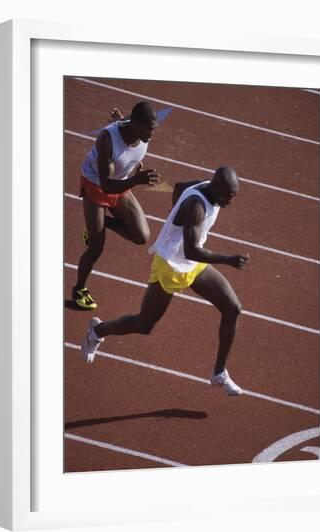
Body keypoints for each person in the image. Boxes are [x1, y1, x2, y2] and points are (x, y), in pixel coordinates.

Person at [80, 166, 250, 395]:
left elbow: (179, 186)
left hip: (192, 263)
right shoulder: (197, 207)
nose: (232, 199)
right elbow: (191, 251)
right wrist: (227, 259)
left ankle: (219, 374)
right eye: (230, 194)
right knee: (143, 324)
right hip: (170, 264)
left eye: (235, 194)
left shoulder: (206, 186)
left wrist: (174, 212)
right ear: (217, 187)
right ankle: (97, 331)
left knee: (232, 308)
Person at [72, 101, 160, 310]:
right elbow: (106, 185)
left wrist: (119, 120)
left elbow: (126, 123)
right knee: (96, 248)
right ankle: (78, 290)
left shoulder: (138, 131)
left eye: (154, 128)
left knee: (141, 236)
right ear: (136, 123)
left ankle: (99, 226)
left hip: (120, 185)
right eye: (149, 127)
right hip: (97, 185)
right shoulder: (107, 140)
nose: (152, 133)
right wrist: (136, 181)